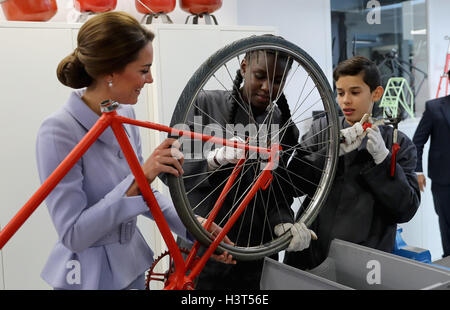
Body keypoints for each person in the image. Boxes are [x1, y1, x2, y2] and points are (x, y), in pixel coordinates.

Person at [36, 11, 233, 290]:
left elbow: (144, 192)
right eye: (143, 70)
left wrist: (197, 228)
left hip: (130, 270)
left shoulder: (124, 114)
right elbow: (73, 235)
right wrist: (142, 174)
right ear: (111, 72)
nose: (150, 80)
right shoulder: (58, 131)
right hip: (86, 278)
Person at [176, 44, 316, 290]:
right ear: (244, 67)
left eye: (277, 81)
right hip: (205, 247)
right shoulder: (205, 104)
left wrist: (284, 221)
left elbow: (278, 187)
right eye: (260, 76)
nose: (266, 88)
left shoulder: (280, 122)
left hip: (257, 252)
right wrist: (214, 159)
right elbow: (174, 174)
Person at [284, 56, 421, 270]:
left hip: (366, 264)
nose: (346, 100)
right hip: (313, 254)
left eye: (355, 92)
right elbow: (292, 183)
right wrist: (331, 151)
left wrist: (383, 161)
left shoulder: (398, 143)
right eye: (340, 93)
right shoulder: (323, 130)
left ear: (376, 93)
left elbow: (406, 209)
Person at [412, 79, 450, 258]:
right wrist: (418, 171)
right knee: (447, 227)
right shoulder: (434, 108)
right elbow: (417, 142)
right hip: (444, 180)